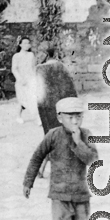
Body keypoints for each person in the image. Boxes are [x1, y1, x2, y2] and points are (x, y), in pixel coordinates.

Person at [23, 97, 98, 220]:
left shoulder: (87, 135)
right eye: (70, 117)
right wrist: (28, 181)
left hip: (82, 197)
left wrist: (78, 142)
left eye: (78, 116)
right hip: (59, 197)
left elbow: (92, 158)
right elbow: (37, 156)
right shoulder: (52, 136)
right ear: (59, 117)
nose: (75, 121)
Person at [35, 45, 77, 177]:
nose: (37, 56)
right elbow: (71, 89)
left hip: (47, 107)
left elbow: (38, 92)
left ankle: (44, 169)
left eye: (40, 53)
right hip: (62, 107)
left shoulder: (40, 69)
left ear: (46, 54)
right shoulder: (62, 67)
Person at [11, 36, 38, 124]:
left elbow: (33, 68)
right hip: (21, 81)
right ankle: (18, 116)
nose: (27, 45)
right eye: (25, 43)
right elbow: (14, 69)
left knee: (34, 99)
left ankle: (37, 118)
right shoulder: (16, 56)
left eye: (28, 43)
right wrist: (20, 79)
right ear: (20, 44)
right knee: (21, 100)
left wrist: (34, 79)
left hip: (31, 80)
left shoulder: (31, 55)